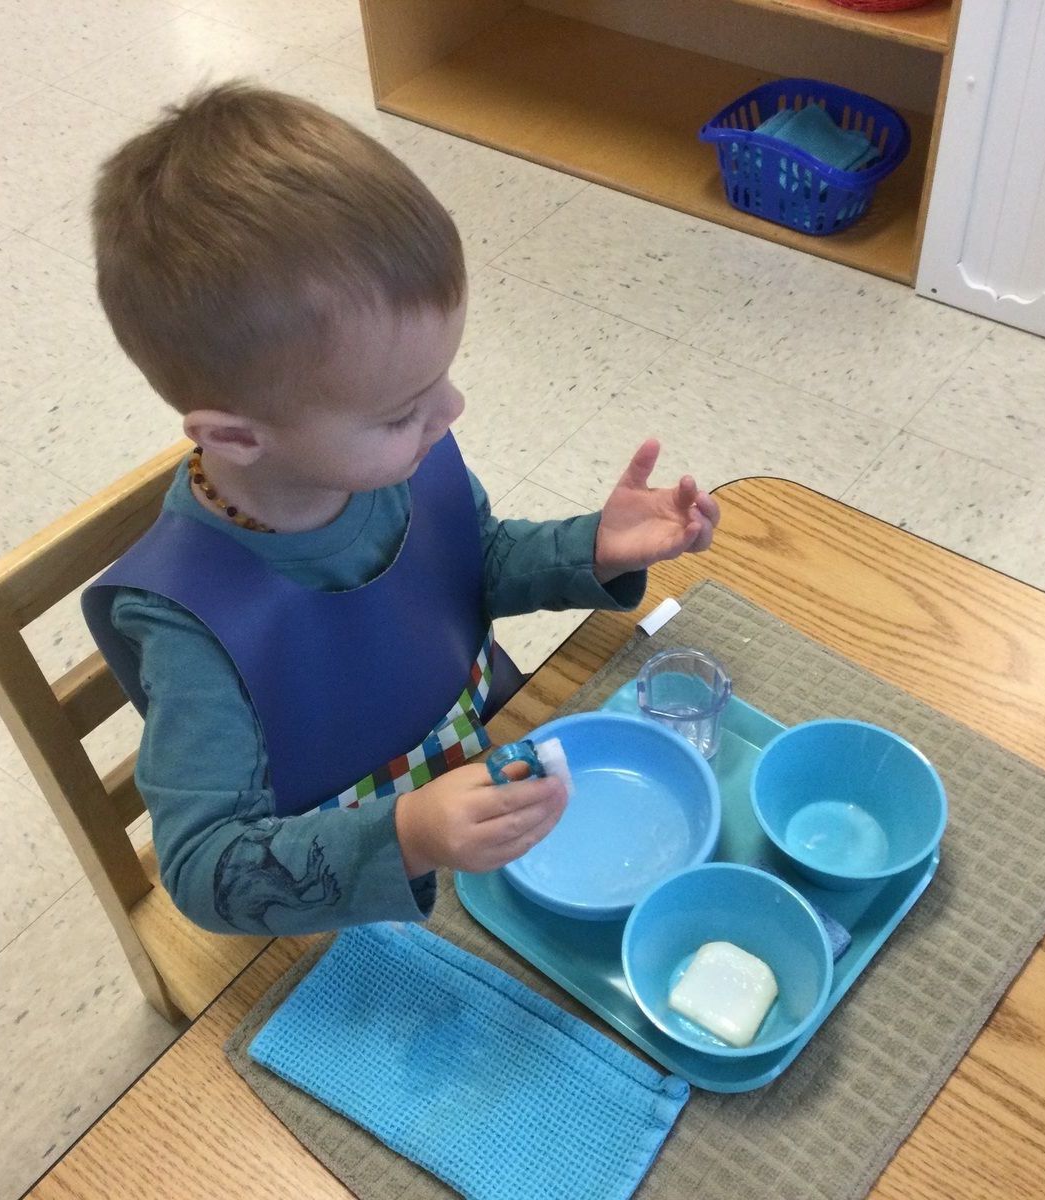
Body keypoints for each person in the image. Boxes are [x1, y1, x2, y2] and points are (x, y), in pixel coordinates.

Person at [83, 82, 719, 937]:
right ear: (237, 438)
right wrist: (410, 833)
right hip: (349, 904)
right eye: (400, 410)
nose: (449, 410)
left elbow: (470, 566)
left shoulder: (394, 461)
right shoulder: (190, 623)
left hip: (485, 781)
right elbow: (205, 871)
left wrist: (593, 549)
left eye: (440, 379)